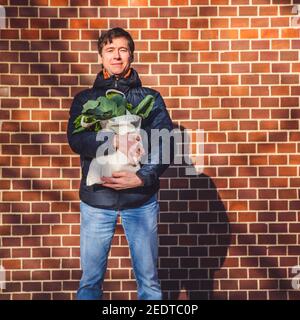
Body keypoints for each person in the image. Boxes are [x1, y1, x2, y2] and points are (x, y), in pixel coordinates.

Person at [67, 27, 174, 300]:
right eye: (110, 50)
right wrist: (113, 141)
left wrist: (142, 178)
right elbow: (77, 139)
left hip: (140, 201)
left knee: (149, 284)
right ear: (100, 57)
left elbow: (166, 144)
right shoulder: (85, 99)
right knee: (90, 283)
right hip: (97, 199)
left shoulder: (151, 98)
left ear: (131, 56)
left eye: (123, 50)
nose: (117, 56)